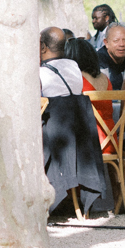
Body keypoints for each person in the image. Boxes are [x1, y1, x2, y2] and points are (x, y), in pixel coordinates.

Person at [38, 28, 108, 220]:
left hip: (51, 141)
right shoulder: (74, 68)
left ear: (42, 46)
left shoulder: (40, 73)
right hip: (77, 139)